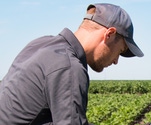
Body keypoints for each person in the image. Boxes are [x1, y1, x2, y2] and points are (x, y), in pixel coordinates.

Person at [0, 3, 143, 124]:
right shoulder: (69, 67)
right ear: (109, 34)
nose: (116, 61)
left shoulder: (39, 44)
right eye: (120, 51)